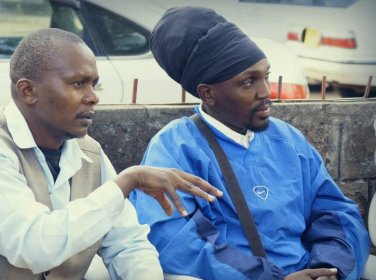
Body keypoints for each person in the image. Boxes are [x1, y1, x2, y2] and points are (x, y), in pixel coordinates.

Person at [0, 28, 222, 279]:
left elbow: (127, 244)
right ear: (28, 91)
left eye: (94, 83)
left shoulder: (89, 152)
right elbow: (35, 246)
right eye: (78, 83)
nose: (93, 96)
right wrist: (126, 182)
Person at [129, 6, 369, 280]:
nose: (266, 92)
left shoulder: (288, 140)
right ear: (208, 93)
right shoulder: (176, 149)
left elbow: (336, 213)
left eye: (265, 76)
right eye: (248, 82)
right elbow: (176, 241)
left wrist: (330, 269)